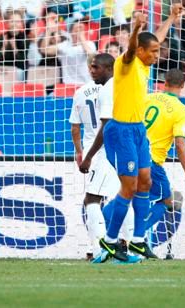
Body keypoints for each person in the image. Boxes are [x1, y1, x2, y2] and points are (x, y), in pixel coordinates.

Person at [79, 4, 184, 262]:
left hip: (138, 129)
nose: (157, 55)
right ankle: (111, 239)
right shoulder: (125, 64)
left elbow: (155, 38)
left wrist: (171, 17)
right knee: (130, 186)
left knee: (145, 182)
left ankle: (138, 241)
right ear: (140, 51)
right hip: (120, 130)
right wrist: (136, 26)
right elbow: (130, 49)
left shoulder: (144, 64)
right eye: (154, 52)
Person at [70, 53, 121, 260]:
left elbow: (75, 126)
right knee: (121, 195)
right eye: (90, 67)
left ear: (106, 68)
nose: (91, 71)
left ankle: (99, 248)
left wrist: (81, 152)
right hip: (114, 148)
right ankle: (123, 243)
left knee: (93, 199)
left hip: (98, 149)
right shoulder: (118, 89)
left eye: (95, 67)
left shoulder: (81, 92)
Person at [139, 69, 185, 255]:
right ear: (182, 85)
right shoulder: (181, 111)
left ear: (164, 83)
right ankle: (134, 237)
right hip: (152, 161)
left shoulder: (148, 98)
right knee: (166, 200)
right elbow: (180, 144)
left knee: (133, 199)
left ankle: (128, 238)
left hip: (133, 155)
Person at [41, 19, 97, 84]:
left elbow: (91, 56)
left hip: (86, 84)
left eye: (81, 29)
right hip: (68, 86)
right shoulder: (65, 45)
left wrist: (81, 37)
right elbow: (44, 49)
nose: (79, 31)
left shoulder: (90, 44)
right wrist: (49, 31)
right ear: (71, 32)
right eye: (76, 29)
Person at [0, 10, 28, 74]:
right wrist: (4, 47)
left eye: (17, 22)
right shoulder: (1, 38)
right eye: (12, 21)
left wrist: (14, 48)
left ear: (21, 23)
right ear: (7, 23)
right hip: (3, 70)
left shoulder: (25, 39)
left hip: (18, 70)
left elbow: (22, 64)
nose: (14, 24)